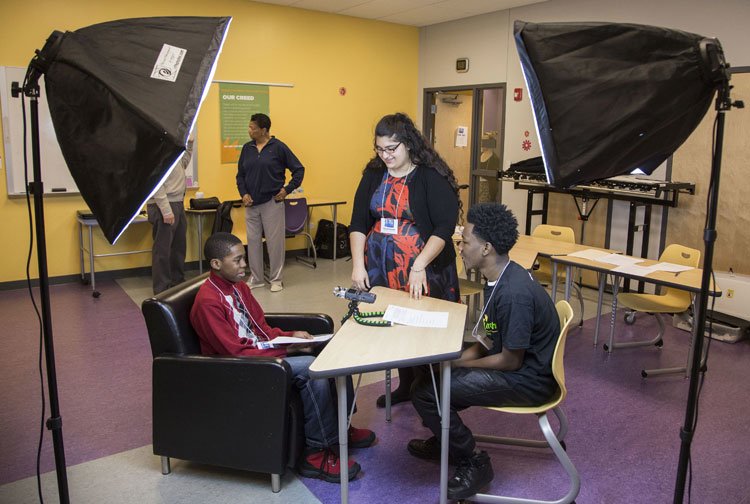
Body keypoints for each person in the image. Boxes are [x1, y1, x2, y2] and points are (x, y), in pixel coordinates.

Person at [189, 232, 375, 483]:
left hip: (260, 355)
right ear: (216, 264)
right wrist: (282, 352)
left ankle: (343, 427)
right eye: (238, 260)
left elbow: (261, 327)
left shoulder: (239, 287)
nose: (244, 265)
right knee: (312, 369)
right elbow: (233, 352)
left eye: (244, 258)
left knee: (329, 351)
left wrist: (291, 336)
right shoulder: (208, 302)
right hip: (241, 369)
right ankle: (317, 453)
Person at [407, 203, 560, 500]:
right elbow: (490, 339)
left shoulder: (514, 293)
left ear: (487, 248)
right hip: (518, 365)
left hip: (530, 381)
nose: (460, 247)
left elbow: (510, 360)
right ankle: (447, 439)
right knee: (431, 374)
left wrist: (457, 368)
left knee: (427, 392)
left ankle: (474, 460)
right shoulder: (501, 277)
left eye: (465, 241)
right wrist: (454, 360)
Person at [349, 112, 461, 408]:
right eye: (379, 149)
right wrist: (358, 264)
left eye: (391, 149)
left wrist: (419, 265)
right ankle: (406, 384)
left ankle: (428, 391)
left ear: (408, 144)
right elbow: (358, 221)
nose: (385, 156)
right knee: (393, 325)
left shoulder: (429, 175)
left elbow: (443, 228)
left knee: (421, 329)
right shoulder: (374, 173)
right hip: (381, 266)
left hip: (424, 267)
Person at [236, 113, 304, 293]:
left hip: (272, 203)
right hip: (251, 204)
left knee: (275, 243)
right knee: (253, 242)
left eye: (252, 128)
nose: (249, 131)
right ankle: (257, 278)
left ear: (263, 130)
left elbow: (299, 170)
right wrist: (243, 194)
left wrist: (287, 190)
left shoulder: (278, 147)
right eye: (249, 127)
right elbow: (240, 175)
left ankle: (276, 279)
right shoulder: (247, 148)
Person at [147, 135, 193, 294]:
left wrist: (190, 142)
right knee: (163, 250)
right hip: (164, 205)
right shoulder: (157, 154)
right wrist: (166, 210)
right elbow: (156, 184)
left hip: (178, 203)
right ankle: (162, 290)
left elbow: (184, 163)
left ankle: (177, 284)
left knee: (178, 247)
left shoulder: (173, 153)